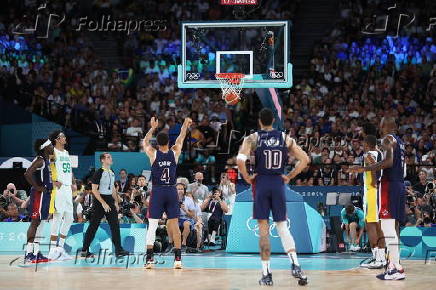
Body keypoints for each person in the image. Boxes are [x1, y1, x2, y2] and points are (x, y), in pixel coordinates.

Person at [236, 108, 310, 286]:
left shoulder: (253, 138)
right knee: (282, 226)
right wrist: (290, 176)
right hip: (278, 183)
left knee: (263, 231)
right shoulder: (285, 138)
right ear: (274, 121)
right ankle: (295, 264)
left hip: (261, 183)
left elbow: (239, 160)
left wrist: (247, 177)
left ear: (260, 121)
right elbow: (305, 159)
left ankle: (267, 274)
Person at [350, 117, 406, 280]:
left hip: (389, 185)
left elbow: (387, 162)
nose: (380, 127)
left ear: (388, 126)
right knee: (392, 228)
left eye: (382, 124)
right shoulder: (400, 141)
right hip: (398, 184)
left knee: (387, 228)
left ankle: (394, 268)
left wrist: (363, 168)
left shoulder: (388, 139)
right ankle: (395, 266)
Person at [142, 116, 192, 269]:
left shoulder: (153, 153)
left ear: (157, 143)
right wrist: (184, 124)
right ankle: (178, 260)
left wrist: (152, 128)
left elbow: (144, 142)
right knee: (175, 225)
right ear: (168, 143)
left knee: (152, 225)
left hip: (157, 191)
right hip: (171, 190)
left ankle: (149, 260)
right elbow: (181, 136)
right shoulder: (175, 151)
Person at [81, 153, 129, 258]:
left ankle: (119, 250)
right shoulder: (99, 172)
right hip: (99, 201)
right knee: (94, 225)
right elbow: (94, 190)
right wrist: (103, 203)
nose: (110, 159)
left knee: (115, 225)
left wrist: (116, 202)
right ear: (102, 160)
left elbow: (112, 189)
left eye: (110, 157)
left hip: (109, 200)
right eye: (108, 157)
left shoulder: (111, 172)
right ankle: (84, 250)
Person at [23, 139, 54, 263]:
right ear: (45, 148)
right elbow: (27, 174)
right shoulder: (40, 160)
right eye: (50, 145)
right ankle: (28, 253)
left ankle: (36, 252)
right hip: (39, 195)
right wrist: (37, 187)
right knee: (35, 223)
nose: (52, 147)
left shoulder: (46, 160)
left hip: (45, 195)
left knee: (40, 223)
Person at [359, 135, 387, 268]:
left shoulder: (368, 154)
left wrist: (373, 181)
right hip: (378, 192)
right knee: (377, 225)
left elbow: (373, 166)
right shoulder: (381, 152)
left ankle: (377, 259)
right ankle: (381, 258)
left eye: (363, 143)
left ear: (367, 144)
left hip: (371, 191)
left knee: (370, 224)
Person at [48, 130, 74, 261]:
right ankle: (52, 250)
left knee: (70, 218)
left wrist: (74, 182)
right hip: (58, 188)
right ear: (57, 139)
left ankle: (60, 249)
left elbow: (69, 170)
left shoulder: (66, 152)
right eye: (63, 136)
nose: (65, 138)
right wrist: (53, 181)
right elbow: (49, 167)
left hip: (68, 188)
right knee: (57, 218)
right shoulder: (52, 152)